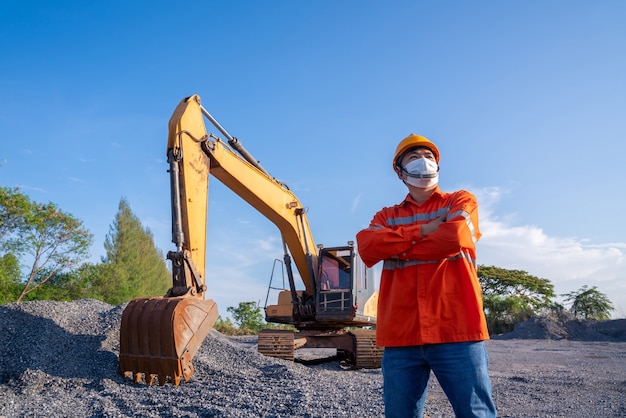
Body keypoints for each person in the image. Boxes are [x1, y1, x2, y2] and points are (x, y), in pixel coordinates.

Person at [356, 134, 497, 418]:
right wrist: (424, 230)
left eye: (429, 156)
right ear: (399, 171)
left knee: (475, 414)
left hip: (457, 330)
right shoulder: (386, 215)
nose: (424, 161)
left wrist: (399, 245)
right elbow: (368, 247)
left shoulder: (460, 201)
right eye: (413, 157)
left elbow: (455, 236)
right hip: (401, 337)